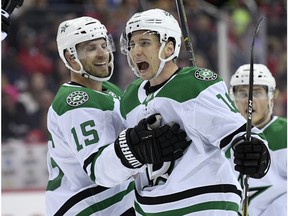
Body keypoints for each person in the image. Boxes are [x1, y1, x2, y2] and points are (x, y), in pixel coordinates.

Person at [118, 8, 271, 215]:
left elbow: (234, 130)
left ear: (169, 48)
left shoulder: (193, 84)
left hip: (204, 204)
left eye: (145, 43)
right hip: (150, 209)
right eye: (132, 44)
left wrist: (255, 149)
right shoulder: (129, 98)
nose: (135, 51)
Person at [46, 16, 190, 216]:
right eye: (91, 48)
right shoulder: (74, 102)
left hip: (116, 203)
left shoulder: (111, 90)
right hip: (85, 208)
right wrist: (137, 149)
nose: (102, 54)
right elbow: (99, 169)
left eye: (104, 45)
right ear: (71, 58)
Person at [229, 63, 287, 216]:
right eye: (242, 93)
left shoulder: (285, 133)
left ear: (271, 96)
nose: (249, 100)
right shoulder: (221, 138)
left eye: (257, 92)